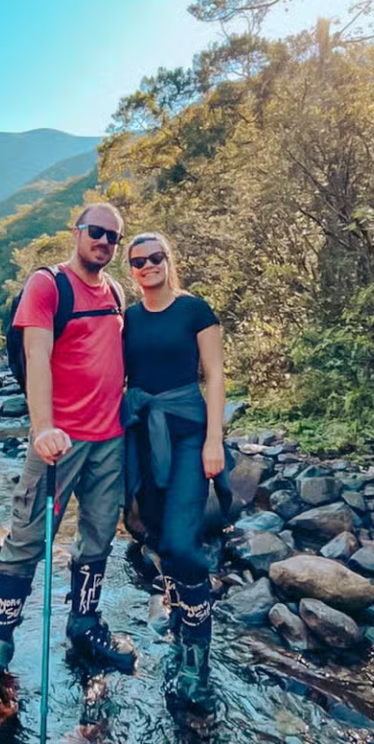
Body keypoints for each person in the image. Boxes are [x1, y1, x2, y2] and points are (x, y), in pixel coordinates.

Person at [0, 202, 136, 715]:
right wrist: (44, 425)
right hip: (59, 442)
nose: (105, 243)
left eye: (114, 237)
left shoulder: (115, 291)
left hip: (111, 438)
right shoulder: (48, 285)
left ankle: (85, 624)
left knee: (97, 538)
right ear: (77, 232)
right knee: (25, 542)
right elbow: (37, 358)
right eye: (97, 232)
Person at [120, 231, 226, 711]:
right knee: (159, 538)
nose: (148, 266)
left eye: (155, 257)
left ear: (169, 259)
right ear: (131, 271)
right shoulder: (128, 318)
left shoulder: (195, 310)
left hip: (185, 430)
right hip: (142, 433)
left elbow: (216, 375)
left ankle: (196, 663)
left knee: (183, 544)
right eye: (138, 261)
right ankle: (182, 621)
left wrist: (214, 440)